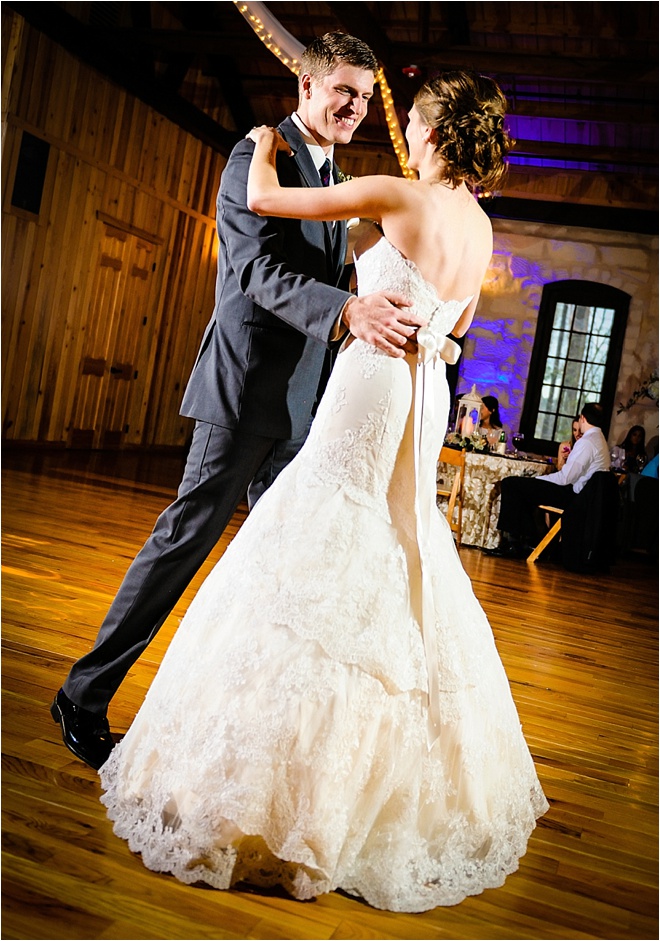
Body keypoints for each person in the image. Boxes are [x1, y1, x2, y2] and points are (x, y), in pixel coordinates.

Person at [97, 70, 548, 912]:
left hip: (373, 378)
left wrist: (263, 143)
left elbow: (266, 200)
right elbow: (450, 320)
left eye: (410, 123)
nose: (401, 132)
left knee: (326, 519)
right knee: (401, 537)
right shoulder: (483, 226)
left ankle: (274, 786)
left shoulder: (398, 194)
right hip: (424, 394)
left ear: (432, 133)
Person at [50, 32, 428, 771]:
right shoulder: (255, 156)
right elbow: (255, 271)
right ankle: (82, 696)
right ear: (307, 86)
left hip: (304, 409)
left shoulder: (333, 175)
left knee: (285, 565)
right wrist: (347, 311)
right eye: (343, 90)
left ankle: (247, 733)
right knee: (181, 545)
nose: (355, 106)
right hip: (243, 390)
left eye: (363, 96)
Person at [490, 402, 611, 558]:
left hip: (575, 497)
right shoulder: (599, 439)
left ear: (582, 418)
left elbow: (565, 478)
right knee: (522, 487)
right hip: (585, 496)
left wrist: (538, 479)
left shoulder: (587, 442)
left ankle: (513, 544)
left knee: (511, 484)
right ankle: (525, 541)